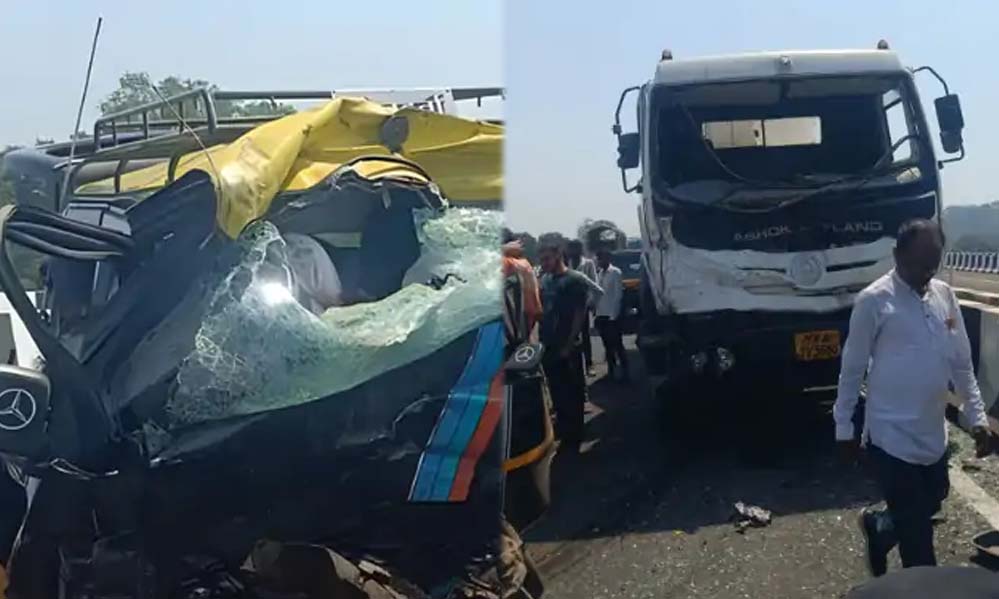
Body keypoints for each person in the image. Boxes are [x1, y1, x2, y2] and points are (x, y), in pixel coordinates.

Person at [834, 219, 991, 577]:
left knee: (934, 498)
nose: (927, 272)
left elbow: (961, 363)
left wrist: (977, 417)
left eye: (933, 263)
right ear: (897, 255)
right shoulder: (874, 301)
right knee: (918, 542)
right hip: (890, 437)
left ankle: (880, 527)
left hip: (933, 435)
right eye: (919, 263)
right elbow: (852, 369)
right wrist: (844, 428)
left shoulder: (944, 295)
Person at [538, 241, 592, 451]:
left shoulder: (574, 280)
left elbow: (579, 314)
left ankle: (575, 433)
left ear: (558, 256)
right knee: (556, 389)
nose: (544, 264)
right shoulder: (546, 280)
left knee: (573, 390)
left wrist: (569, 344)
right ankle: (563, 425)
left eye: (547, 259)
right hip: (549, 345)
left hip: (567, 346)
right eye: (541, 260)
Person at [565, 239, 601, 377]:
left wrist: (592, 303)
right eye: (571, 249)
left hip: (582, 305)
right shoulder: (565, 264)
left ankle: (589, 364)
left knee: (585, 335)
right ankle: (574, 366)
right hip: (568, 306)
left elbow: (594, 283)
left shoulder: (588, 263)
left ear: (580, 250)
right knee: (570, 336)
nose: (573, 252)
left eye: (575, 249)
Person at [594, 249, 629, 382]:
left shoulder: (615, 272)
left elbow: (618, 296)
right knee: (607, 346)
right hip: (601, 314)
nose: (599, 261)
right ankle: (611, 371)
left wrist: (614, 316)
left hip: (612, 315)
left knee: (617, 345)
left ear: (608, 258)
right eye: (598, 259)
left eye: (601, 258)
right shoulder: (599, 274)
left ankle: (625, 372)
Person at [502, 229, 543, 342]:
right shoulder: (525, 265)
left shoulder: (509, 263)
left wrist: (502, 249)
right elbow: (535, 310)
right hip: (524, 328)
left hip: (507, 333)